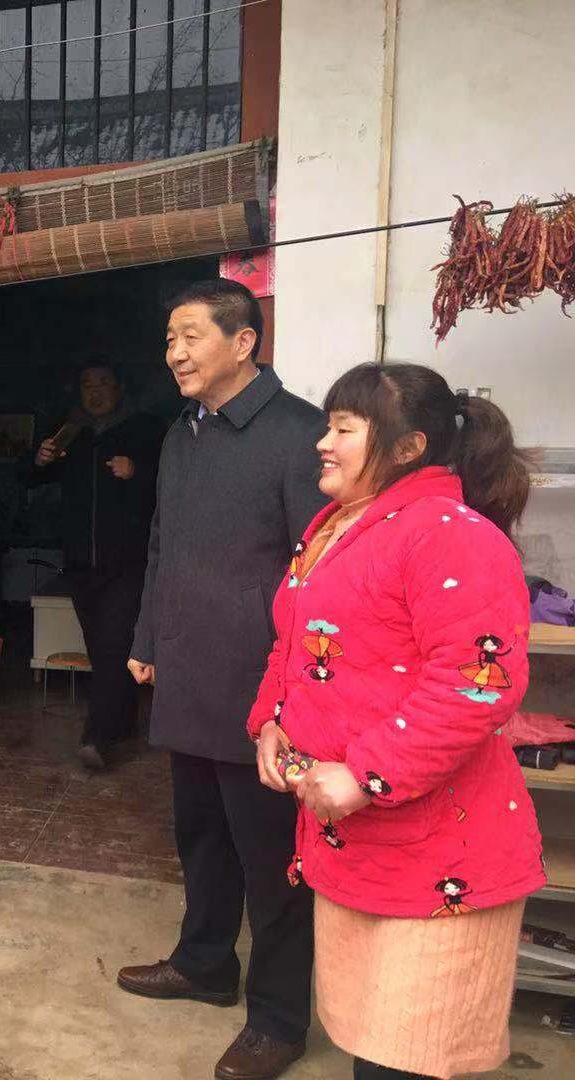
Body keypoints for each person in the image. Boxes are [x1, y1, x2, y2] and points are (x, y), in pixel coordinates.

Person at [250, 363, 544, 1080]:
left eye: (344, 430)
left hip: (436, 847)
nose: (322, 443)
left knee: (404, 1057)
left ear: (409, 448)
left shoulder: (450, 534)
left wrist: (366, 774)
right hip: (357, 841)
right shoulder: (338, 527)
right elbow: (296, 642)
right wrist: (271, 723)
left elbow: (478, 682)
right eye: (328, 426)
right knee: (372, 1040)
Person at [118, 280, 326, 1080]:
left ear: (243, 342)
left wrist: (299, 688)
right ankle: (204, 963)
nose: (174, 353)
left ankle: (278, 1019)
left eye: (190, 336)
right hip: (188, 672)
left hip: (263, 691)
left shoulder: (299, 434)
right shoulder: (184, 434)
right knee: (201, 835)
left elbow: (317, 575)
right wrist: (147, 637)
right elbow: (162, 545)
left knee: (272, 861)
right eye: (169, 339)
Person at [32, 361, 166, 769]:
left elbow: (172, 481)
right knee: (101, 646)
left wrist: (137, 471)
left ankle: (96, 737)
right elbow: (28, 479)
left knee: (112, 646)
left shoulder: (145, 429)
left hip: (128, 563)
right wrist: (39, 460)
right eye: (87, 384)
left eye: (103, 382)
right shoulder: (72, 433)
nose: (95, 391)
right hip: (80, 564)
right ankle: (122, 719)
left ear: (120, 386)